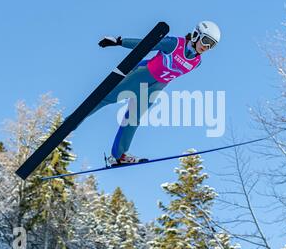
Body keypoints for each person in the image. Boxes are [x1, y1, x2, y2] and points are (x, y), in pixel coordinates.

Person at [90, 20, 221, 166]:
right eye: (206, 40)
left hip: (156, 87)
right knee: (108, 97)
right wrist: (120, 41)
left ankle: (119, 155)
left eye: (212, 45)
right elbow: (146, 45)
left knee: (134, 118)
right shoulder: (174, 44)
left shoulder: (197, 62)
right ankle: (73, 121)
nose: (206, 46)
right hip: (142, 75)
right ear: (197, 34)